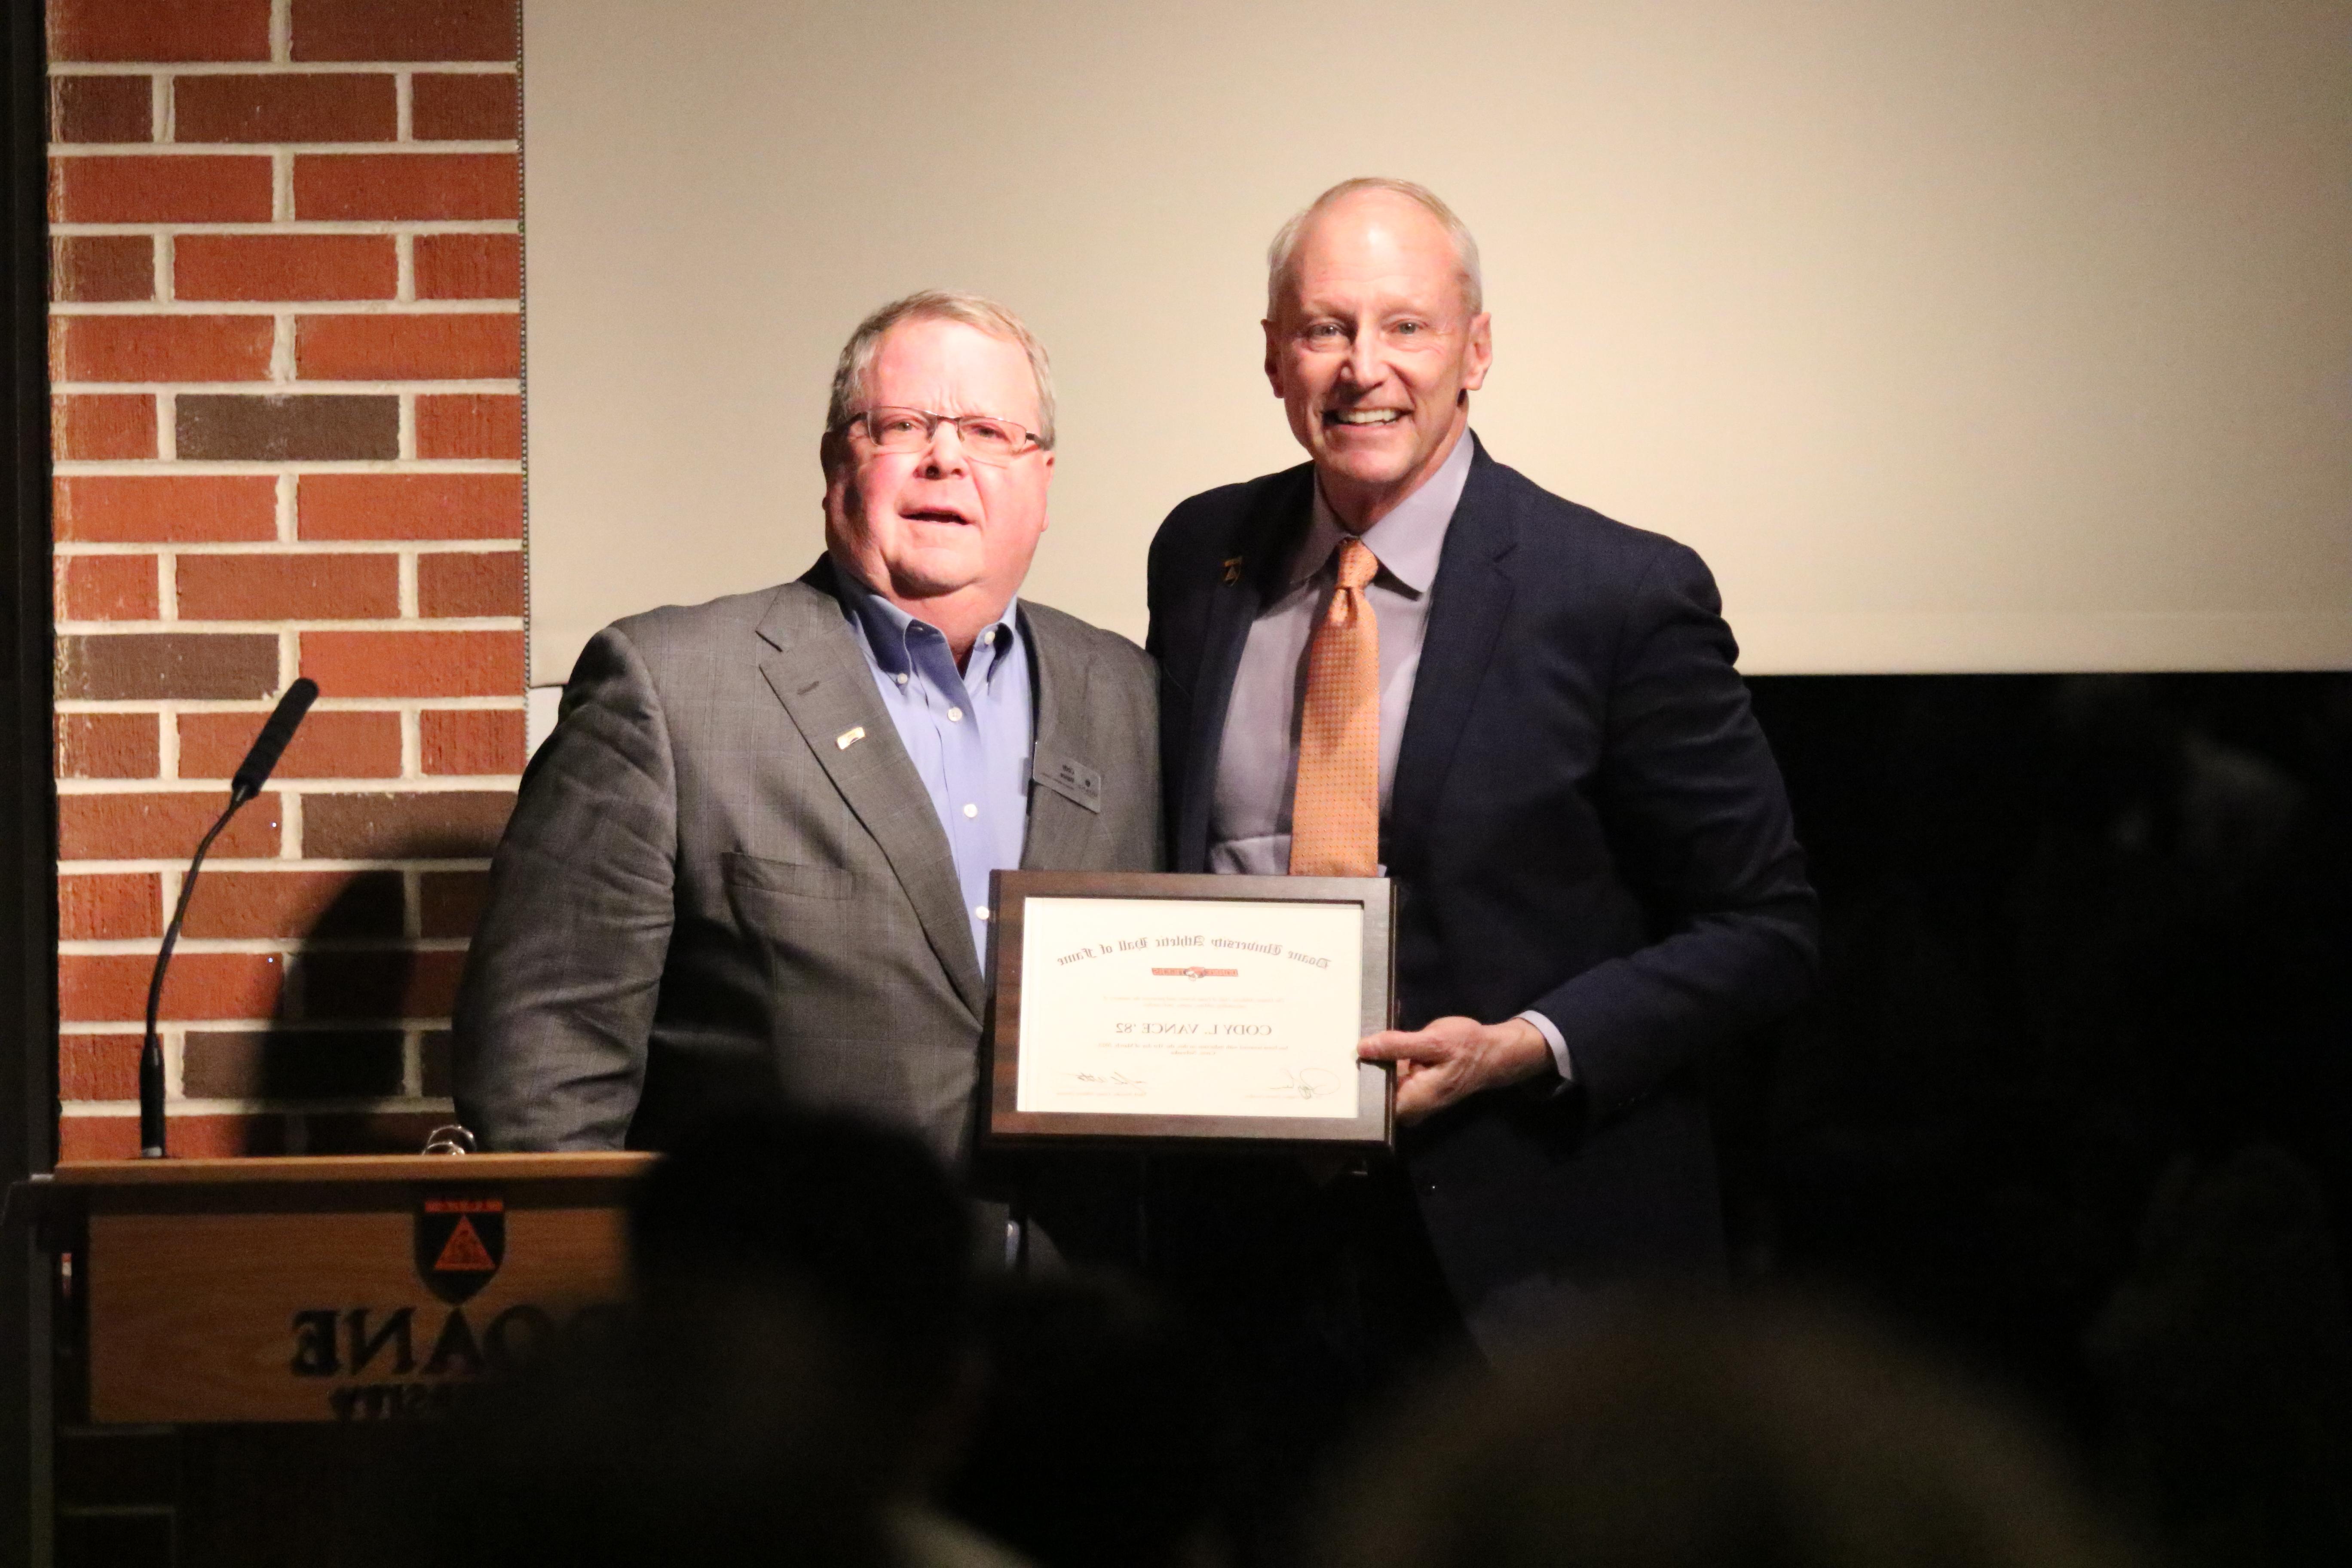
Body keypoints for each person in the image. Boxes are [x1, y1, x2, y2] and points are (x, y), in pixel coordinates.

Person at [1144, 179, 1819, 1361]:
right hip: (1255, 1265)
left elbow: (1765, 928)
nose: (1364, 367)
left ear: (1478, 348)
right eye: (1324, 328)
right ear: (1272, 357)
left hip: (1536, 1270)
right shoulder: (1204, 553)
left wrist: (1530, 1044)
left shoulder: (1615, 593)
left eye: (1406, 325)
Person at [454, 291, 1160, 1178]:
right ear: (837, 465)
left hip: (1070, 1301)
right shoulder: (668, 691)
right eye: (903, 425)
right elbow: (545, 1072)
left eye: (989, 432)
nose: (946, 460)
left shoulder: (1132, 697)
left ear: (1044, 483)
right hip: (788, 1307)